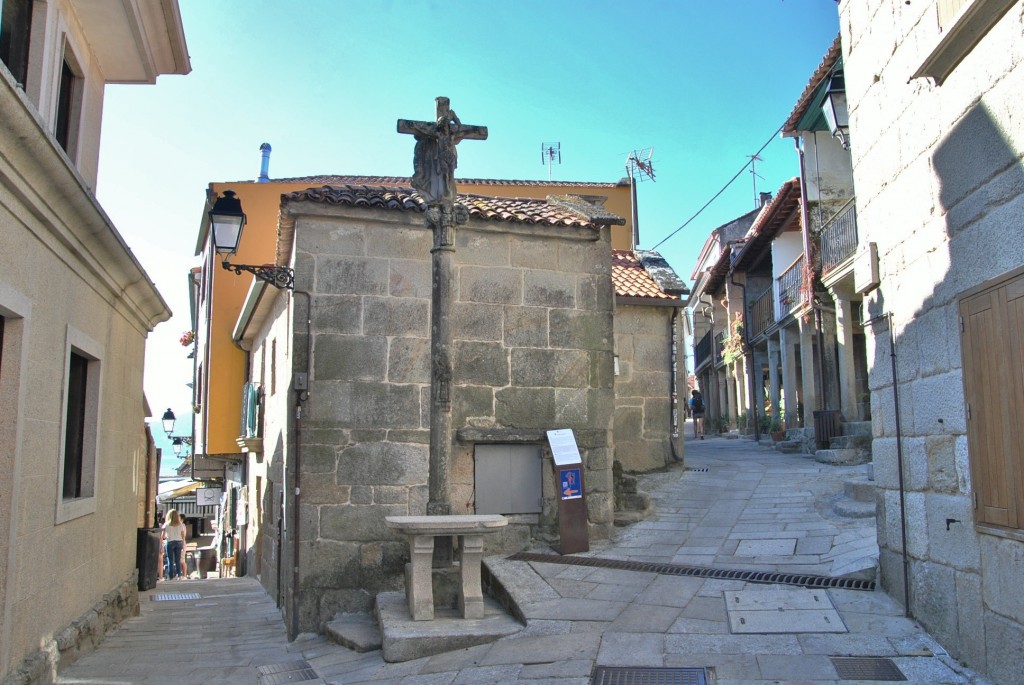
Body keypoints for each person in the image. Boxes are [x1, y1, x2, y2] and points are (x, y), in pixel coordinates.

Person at [162, 509, 187, 580]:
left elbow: (163, 536)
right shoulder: (181, 525)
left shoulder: (166, 524)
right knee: (178, 560)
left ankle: (171, 576)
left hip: (170, 542)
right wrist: (183, 543)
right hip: (179, 542)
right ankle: (179, 575)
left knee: (170, 560)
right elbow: (183, 536)